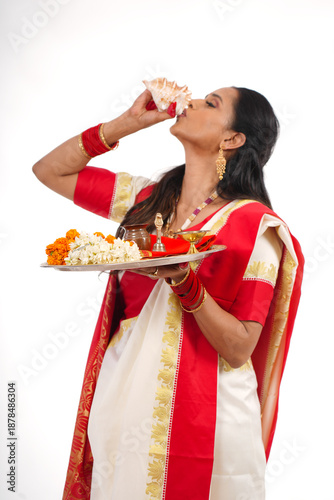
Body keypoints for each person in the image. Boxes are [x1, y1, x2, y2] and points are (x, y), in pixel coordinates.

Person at [33, 85, 304, 500]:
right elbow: (50, 170)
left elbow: (238, 348)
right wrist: (123, 125)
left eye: (210, 103)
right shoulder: (145, 200)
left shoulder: (254, 227)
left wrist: (183, 281)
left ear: (232, 140)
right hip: (124, 407)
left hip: (208, 419)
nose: (191, 102)